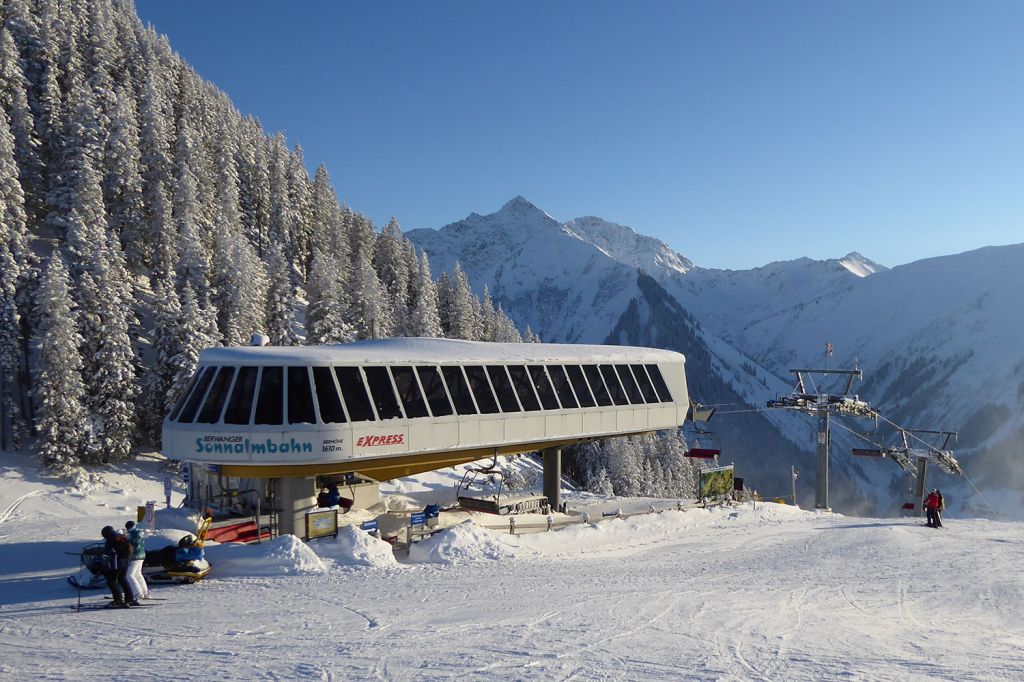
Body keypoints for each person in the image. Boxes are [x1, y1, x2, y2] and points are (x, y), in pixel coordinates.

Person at [100, 525, 137, 607]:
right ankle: (130, 599)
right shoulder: (122, 537)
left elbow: (107, 554)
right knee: (122, 579)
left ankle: (118, 600)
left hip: (116, 563)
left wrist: (102, 559)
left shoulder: (110, 540)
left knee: (111, 581)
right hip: (126, 562)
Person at [124, 520, 150, 599]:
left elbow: (135, 546)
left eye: (129, 527)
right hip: (141, 556)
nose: (128, 529)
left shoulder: (134, 535)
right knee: (138, 574)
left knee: (129, 575)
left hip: (135, 557)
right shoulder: (138, 533)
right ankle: (145, 592)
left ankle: (137, 593)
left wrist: (129, 554)